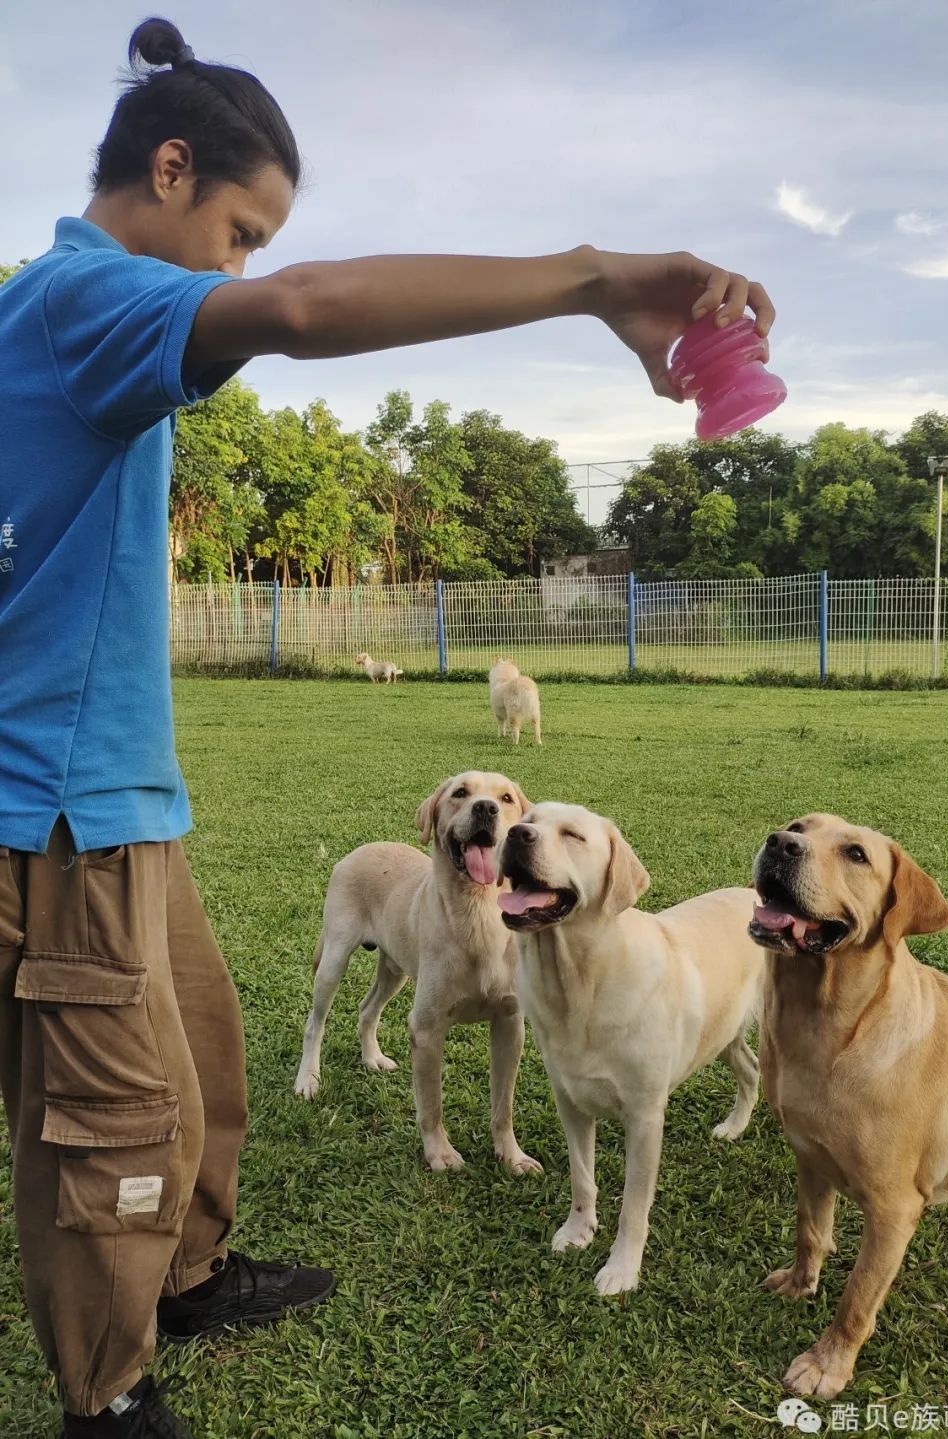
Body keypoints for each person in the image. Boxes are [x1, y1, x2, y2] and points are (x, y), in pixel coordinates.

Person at [0, 16, 775, 1438]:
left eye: (253, 243)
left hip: (116, 800)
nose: (237, 268)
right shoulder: (81, 296)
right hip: (51, 816)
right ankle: (108, 1402)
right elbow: (302, 312)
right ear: (169, 169)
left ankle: (186, 1275)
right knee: (108, 1120)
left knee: (208, 1056)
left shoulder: (67, 316)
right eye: (235, 229)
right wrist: (594, 278)